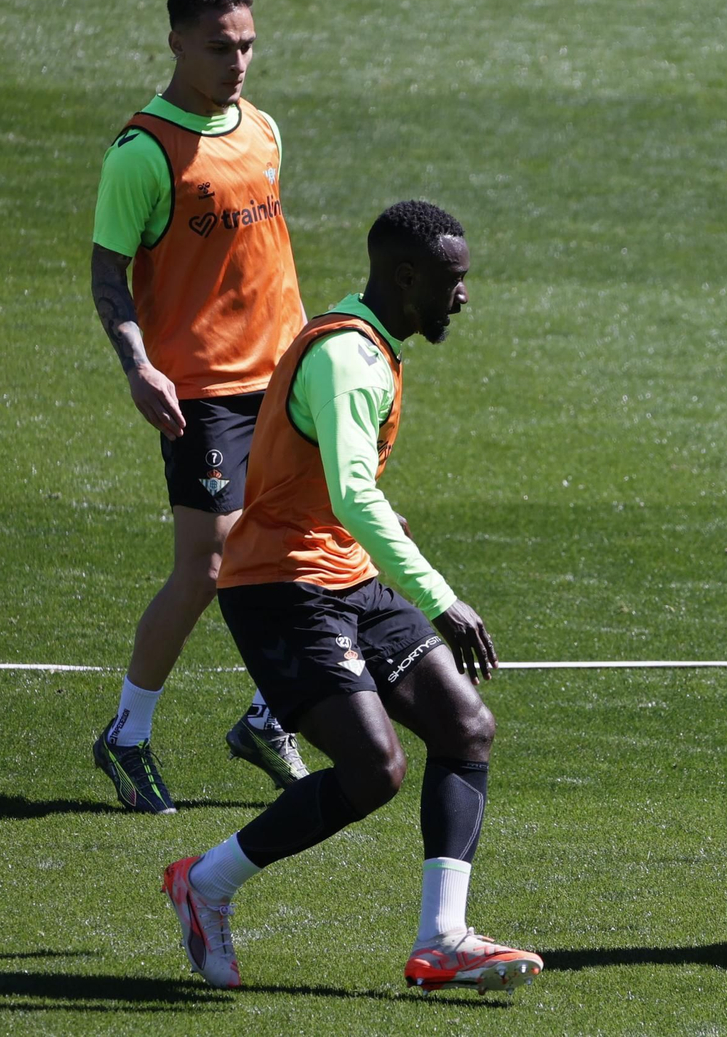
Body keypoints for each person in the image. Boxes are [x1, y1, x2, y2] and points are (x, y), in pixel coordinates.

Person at [161, 200, 541, 997]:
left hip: (341, 576)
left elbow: (336, 485)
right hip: (279, 589)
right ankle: (206, 882)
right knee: (374, 770)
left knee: (465, 723)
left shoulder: (363, 343)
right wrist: (442, 598)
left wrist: (360, 512)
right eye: (452, 280)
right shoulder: (349, 359)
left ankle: (443, 940)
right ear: (407, 277)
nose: (462, 297)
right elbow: (353, 493)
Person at [90, 0, 307, 814]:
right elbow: (109, 271)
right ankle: (128, 735)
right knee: (208, 565)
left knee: (313, 546)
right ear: (177, 42)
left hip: (285, 380)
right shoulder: (143, 152)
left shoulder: (261, 129)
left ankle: (268, 717)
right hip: (205, 391)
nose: (239, 60)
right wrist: (137, 365)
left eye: (248, 44)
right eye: (221, 46)